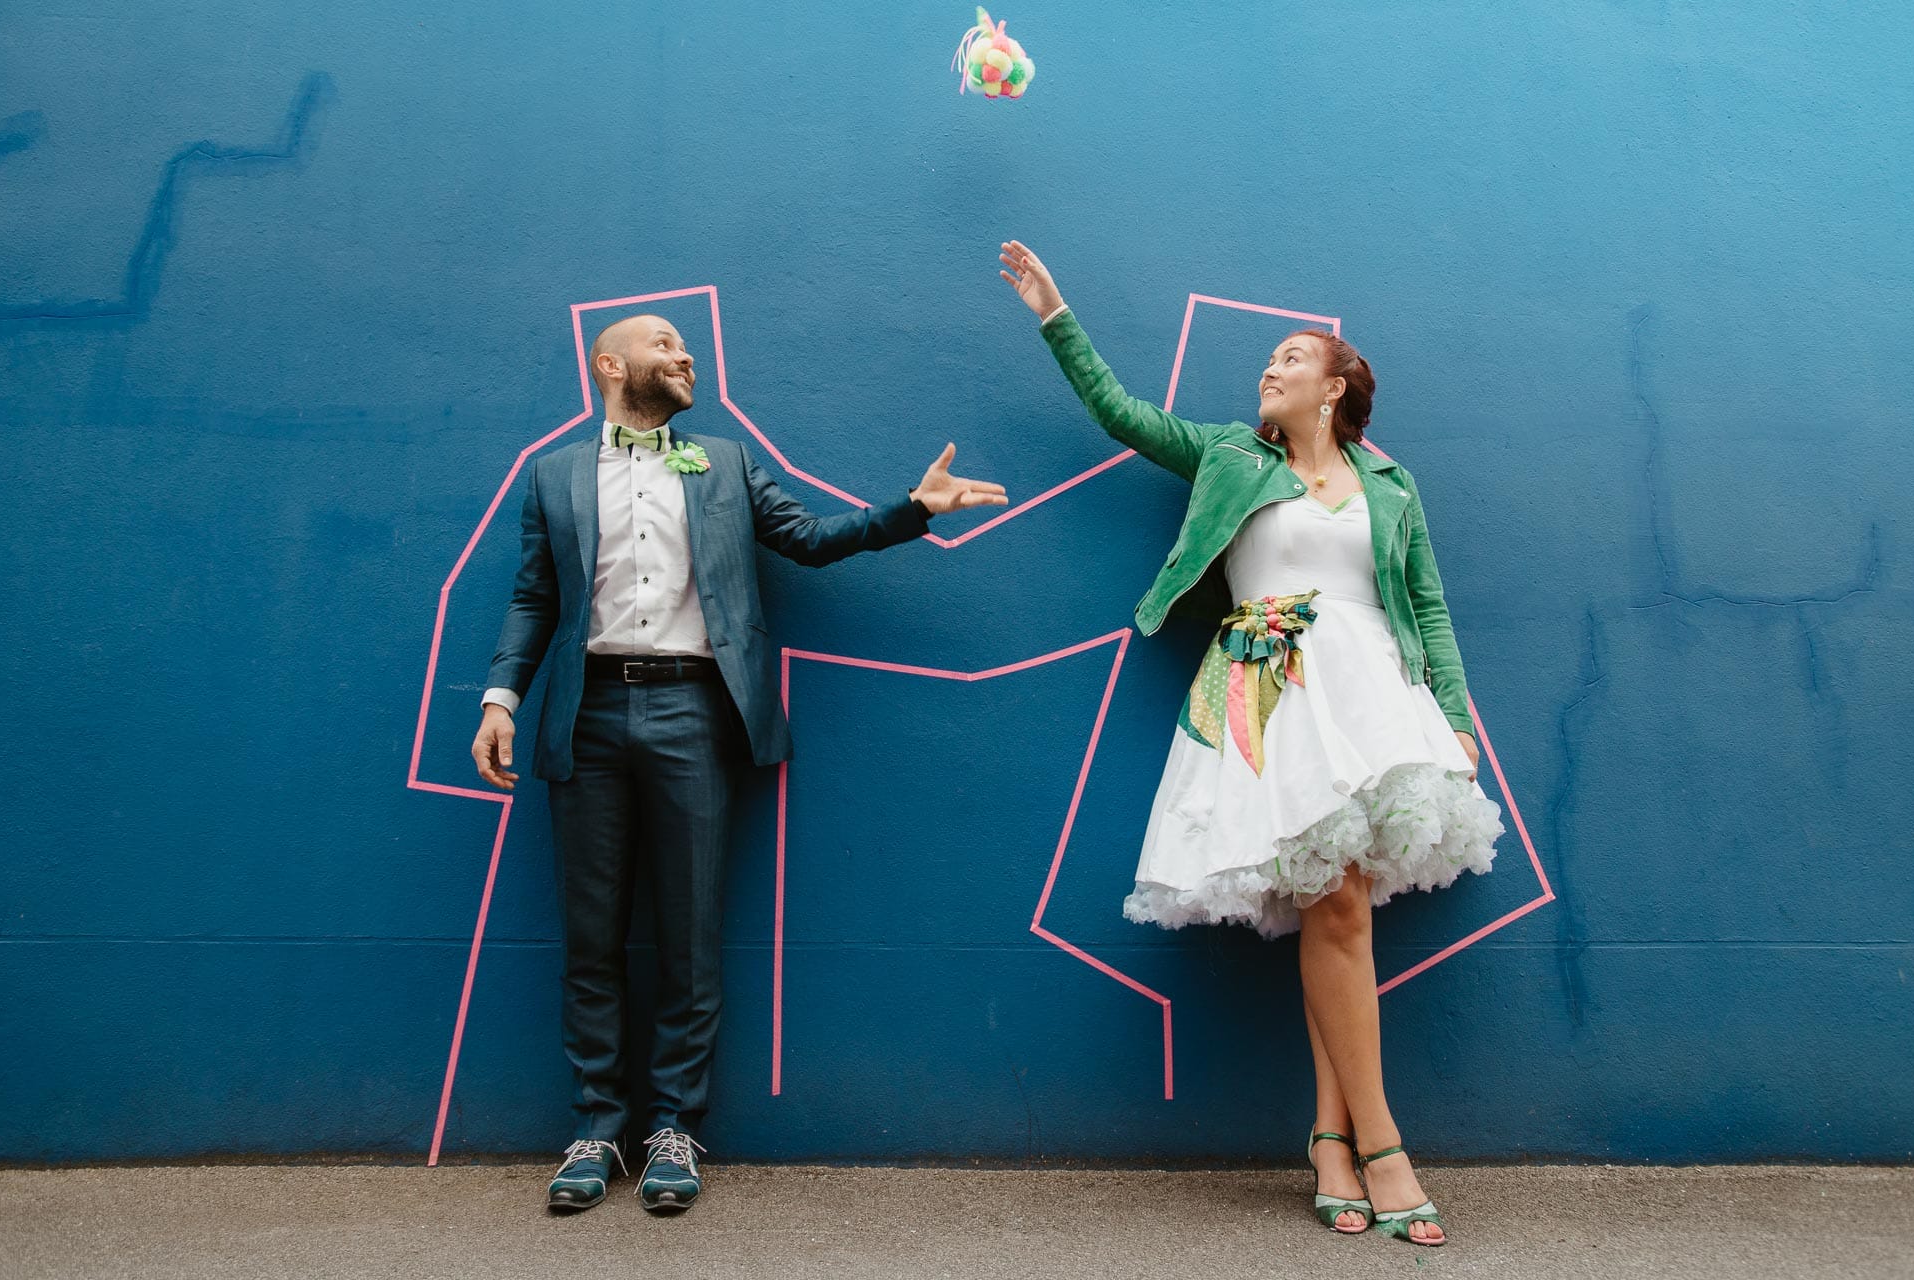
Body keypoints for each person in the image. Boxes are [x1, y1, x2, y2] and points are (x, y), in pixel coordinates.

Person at [999, 241, 1502, 1246]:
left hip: (1370, 696)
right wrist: (1056, 313)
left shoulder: (1390, 483)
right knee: (1337, 905)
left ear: (1335, 386)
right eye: (1265, 362)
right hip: (1269, 692)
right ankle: (1382, 1143)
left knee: (1340, 905)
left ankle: (1328, 1136)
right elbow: (1121, 413)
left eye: (1286, 359)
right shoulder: (1231, 453)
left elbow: (1428, 603)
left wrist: (1452, 707)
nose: (1267, 370)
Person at [472, 314, 1006, 1215]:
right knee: (592, 935)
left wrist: (913, 513)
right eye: (666, 345)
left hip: (693, 708)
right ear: (610, 365)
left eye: (688, 347)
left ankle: (674, 1125)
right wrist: (501, 698)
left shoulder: (722, 460)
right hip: (585, 711)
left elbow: (807, 538)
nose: (686, 357)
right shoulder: (552, 474)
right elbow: (536, 595)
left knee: (687, 930)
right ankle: (597, 1127)